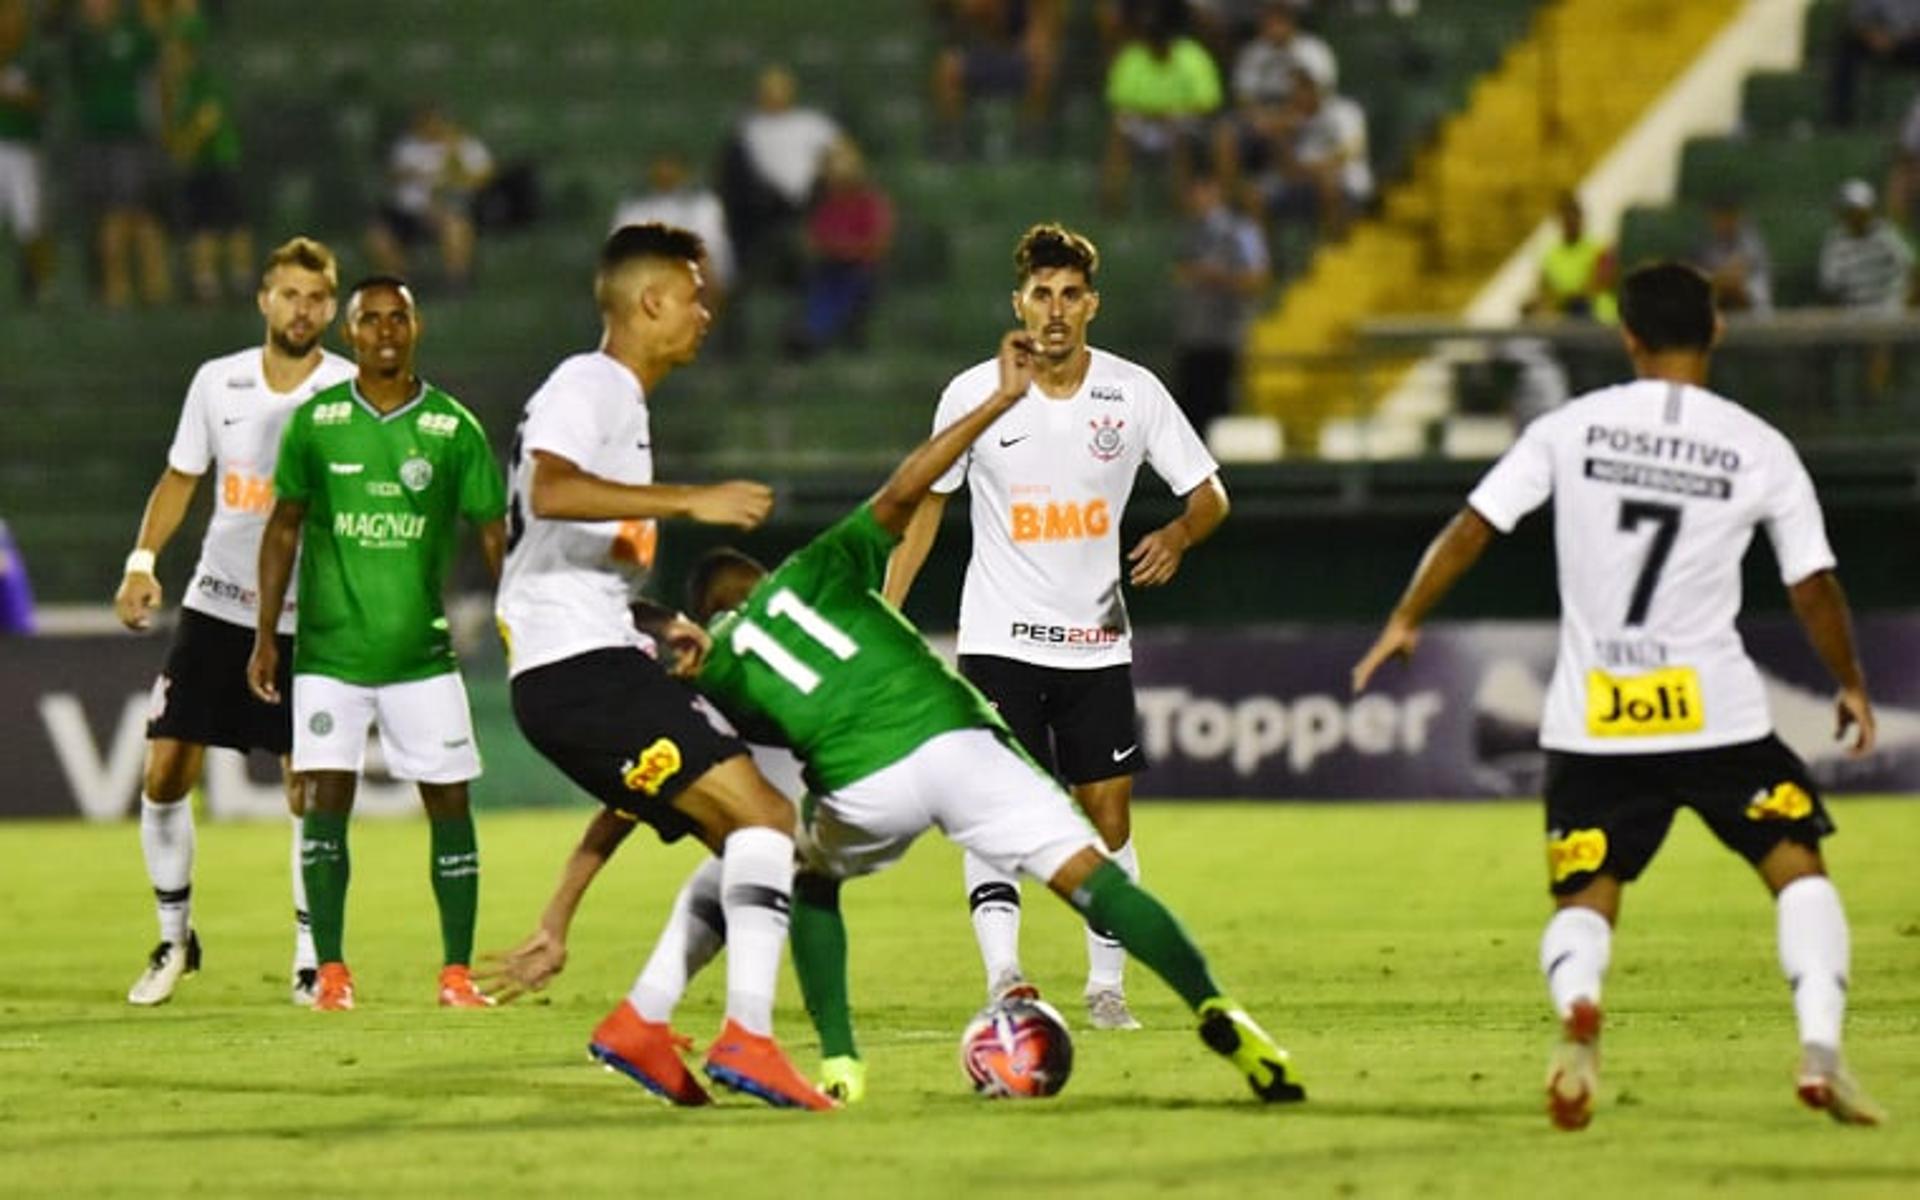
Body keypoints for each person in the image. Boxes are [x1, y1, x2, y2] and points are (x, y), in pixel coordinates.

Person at [484, 330, 1305, 1111]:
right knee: (1093, 874)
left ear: (701, 626)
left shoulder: (720, 673)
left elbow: (629, 802)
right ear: (765, 576)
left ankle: (839, 1061)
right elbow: (910, 487)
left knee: (795, 872)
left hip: (864, 786)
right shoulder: (822, 567)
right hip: (954, 735)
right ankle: (1220, 1010)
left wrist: (558, 914)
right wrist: (994, 405)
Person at [1351, 261, 1885, 1130]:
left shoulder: (1573, 427)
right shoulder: (1758, 445)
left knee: (1586, 897)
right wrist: (1851, 684)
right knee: (1797, 871)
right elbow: (1812, 583)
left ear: (1628, 337)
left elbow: (1475, 524)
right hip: (1714, 710)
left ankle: (1581, 1003)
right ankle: (1821, 1049)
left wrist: (1406, 617)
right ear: (1713, 330)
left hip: (1595, 715)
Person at [487, 223, 830, 1110]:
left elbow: (547, 555)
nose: (706, 313)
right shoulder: (591, 383)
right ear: (649, 302)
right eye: (694, 295)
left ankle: (644, 1020)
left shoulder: (622, 408)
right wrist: (692, 497)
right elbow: (547, 491)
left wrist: (654, 620)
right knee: (766, 818)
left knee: (748, 840)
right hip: (575, 670)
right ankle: (747, 1039)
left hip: (588, 661)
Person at [884, 223, 1231, 1031]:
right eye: (1042, 293)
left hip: (1096, 641)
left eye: (1071, 294)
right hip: (999, 639)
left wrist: (1179, 535)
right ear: (1018, 302)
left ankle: (1106, 986)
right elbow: (926, 507)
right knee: (995, 810)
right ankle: (1006, 977)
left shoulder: (1134, 393)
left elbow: (1211, 494)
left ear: (1092, 305)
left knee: (1108, 818)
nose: (1056, 309)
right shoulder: (975, 392)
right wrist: (890, 607)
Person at [246, 276, 507, 1012]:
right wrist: (267, 636)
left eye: (399, 318)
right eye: (371, 320)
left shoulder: (454, 429)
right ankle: (330, 973)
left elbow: (493, 532)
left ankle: (456, 973)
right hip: (330, 656)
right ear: (349, 333)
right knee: (323, 801)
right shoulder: (318, 421)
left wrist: (522, 619)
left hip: (422, 657)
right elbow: (283, 528)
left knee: (450, 805)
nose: (386, 331)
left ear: (416, 328)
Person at [116, 236, 355, 1007]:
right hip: (218, 603)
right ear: (264, 299)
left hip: (308, 618)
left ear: (332, 308)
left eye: (317, 298)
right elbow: (182, 478)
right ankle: (174, 938)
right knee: (164, 776)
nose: (302, 309)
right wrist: (143, 561)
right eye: (290, 294)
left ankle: (312, 958)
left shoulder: (353, 390)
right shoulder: (216, 382)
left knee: (308, 788)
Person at [70, 0, 171, 306]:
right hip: (94, 136)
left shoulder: (133, 34)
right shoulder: (79, 40)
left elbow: (159, 62)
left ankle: (134, 286)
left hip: (129, 136)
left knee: (130, 209)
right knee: (105, 212)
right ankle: (116, 286)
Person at [160, 11, 251, 303]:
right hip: (200, 163)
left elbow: (207, 120)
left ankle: (240, 281)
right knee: (203, 224)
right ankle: (206, 284)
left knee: (230, 223)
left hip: (219, 159)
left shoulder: (205, 78)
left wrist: (181, 147)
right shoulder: (180, 83)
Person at [1172, 172, 1271, 434]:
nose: (1195, 198)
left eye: (1201, 190)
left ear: (1215, 191)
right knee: (1191, 421)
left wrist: (1216, 278)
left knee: (1221, 421)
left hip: (1226, 339)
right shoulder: (1190, 233)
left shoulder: (1240, 231)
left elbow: (1257, 280)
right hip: (1194, 338)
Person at [1101, 8, 1224, 213]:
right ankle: (1112, 207)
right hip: (1145, 124)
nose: (1157, 43)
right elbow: (1120, 103)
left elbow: (1208, 103)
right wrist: (1156, 113)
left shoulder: (1192, 56)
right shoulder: (1133, 56)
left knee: (1181, 139)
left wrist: (1172, 114)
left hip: (1182, 124)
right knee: (1118, 134)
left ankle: (1180, 208)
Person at [365, 103, 494, 290]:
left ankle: (457, 279)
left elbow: (483, 177)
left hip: (448, 206)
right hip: (408, 211)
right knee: (378, 235)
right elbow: (394, 176)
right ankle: (401, 280)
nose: (428, 127)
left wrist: (452, 175)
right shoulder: (407, 147)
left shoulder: (463, 145)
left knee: (454, 225)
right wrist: (408, 175)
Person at [787, 140, 894, 358]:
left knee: (846, 287)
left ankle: (814, 334)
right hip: (829, 263)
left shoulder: (870, 203)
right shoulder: (825, 203)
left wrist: (847, 249)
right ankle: (809, 332)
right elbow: (814, 238)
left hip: (860, 266)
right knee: (821, 287)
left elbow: (878, 242)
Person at [609, 149, 735, 304]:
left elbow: (716, 254)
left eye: (671, 165)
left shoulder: (704, 206)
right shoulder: (632, 210)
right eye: (661, 165)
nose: (666, 171)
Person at [0, 0, 53, 302]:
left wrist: (18, 96)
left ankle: (38, 284)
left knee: (30, 220)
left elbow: (46, 100)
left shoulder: (33, 55)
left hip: (22, 147)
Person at [1819, 178, 1915, 312]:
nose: (1856, 216)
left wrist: (1906, 303)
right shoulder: (1836, 242)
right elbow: (1830, 285)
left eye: (1860, 211)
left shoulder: (1885, 235)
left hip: (1889, 309)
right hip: (1853, 311)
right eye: (1851, 211)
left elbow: (1909, 268)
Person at [1828, 0, 1920, 127]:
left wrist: (1899, 39)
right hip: (1877, 40)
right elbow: (1857, 20)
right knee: (1848, 45)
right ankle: (1840, 117)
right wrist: (1874, 36)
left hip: (1912, 43)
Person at [1528, 192, 1617, 322]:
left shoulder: (1600, 249)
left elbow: (1601, 283)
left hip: (1598, 319)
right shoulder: (1549, 256)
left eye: (1574, 216)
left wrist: (1568, 298)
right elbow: (1544, 291)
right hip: (1564, 321)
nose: (1570, 222)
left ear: (1581, 218)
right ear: (1558, 220)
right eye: (1565, 217)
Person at [1694, 196, 1773, 315]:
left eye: (1724, 216)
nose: (1719, 222)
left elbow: (1734, 280)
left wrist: (1715, 280)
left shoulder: (1750, 241)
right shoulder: (1708, 244)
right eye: (1715, 217)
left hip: (1754, 313)